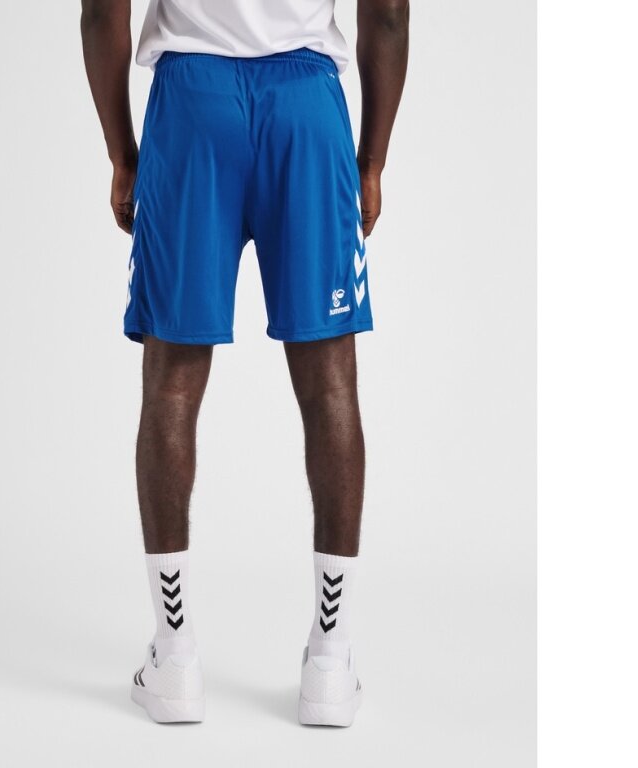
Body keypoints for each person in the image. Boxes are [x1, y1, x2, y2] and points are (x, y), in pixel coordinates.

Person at [81, 0, 408, 726]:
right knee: (330, 384)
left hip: (191, 108)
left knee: (172, 383)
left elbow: (102, 9)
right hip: (306, 109)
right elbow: (386, 13)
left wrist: (123, 155)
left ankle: (174, 657)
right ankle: (330, 661)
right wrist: (372, 161)